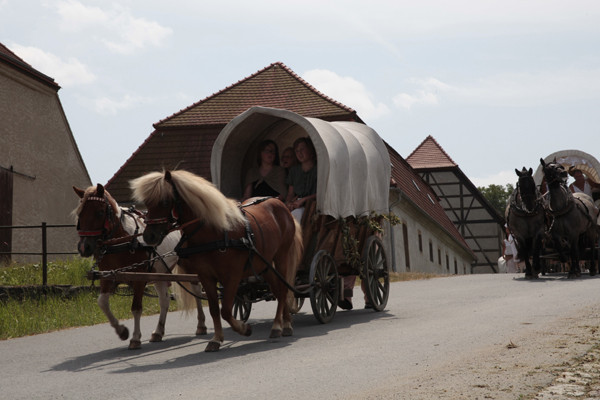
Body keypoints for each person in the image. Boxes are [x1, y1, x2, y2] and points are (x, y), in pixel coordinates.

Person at [285, 137, 317, 222]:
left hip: (313, 206)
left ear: (310, 150)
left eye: (302, 149)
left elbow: (322, 193)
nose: (299, 153)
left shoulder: (319, 169)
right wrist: (288, 203)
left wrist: (304, 200)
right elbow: (290, 193)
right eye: (297, 151)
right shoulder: (294, 170)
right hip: (297, 204)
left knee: (296, 216)